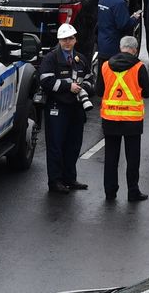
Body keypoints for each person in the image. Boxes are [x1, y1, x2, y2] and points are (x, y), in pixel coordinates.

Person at [38, 22, 92, 193]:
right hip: (58, 107)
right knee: (56, 145)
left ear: (75, 40)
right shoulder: (51, 59)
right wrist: (67, 87)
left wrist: (85, 88)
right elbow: (45, 80)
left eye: (70, 38)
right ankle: (55, 181)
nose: (68, 42)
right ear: (59, 40)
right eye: (64, 39)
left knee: (74, 144)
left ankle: (70, 178)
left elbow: (91, 80)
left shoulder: (81, 59)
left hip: (76, 108)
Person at [97, 34, 149, 202]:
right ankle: (133, 191)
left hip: (110, 118)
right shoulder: (139, 67)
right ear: (135, 50)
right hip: (132, 120)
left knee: (111, 158)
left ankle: (110, 192)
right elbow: (148, 92)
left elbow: (99, 91)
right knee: (132, 158)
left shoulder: (106, 66)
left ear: (120, 48)